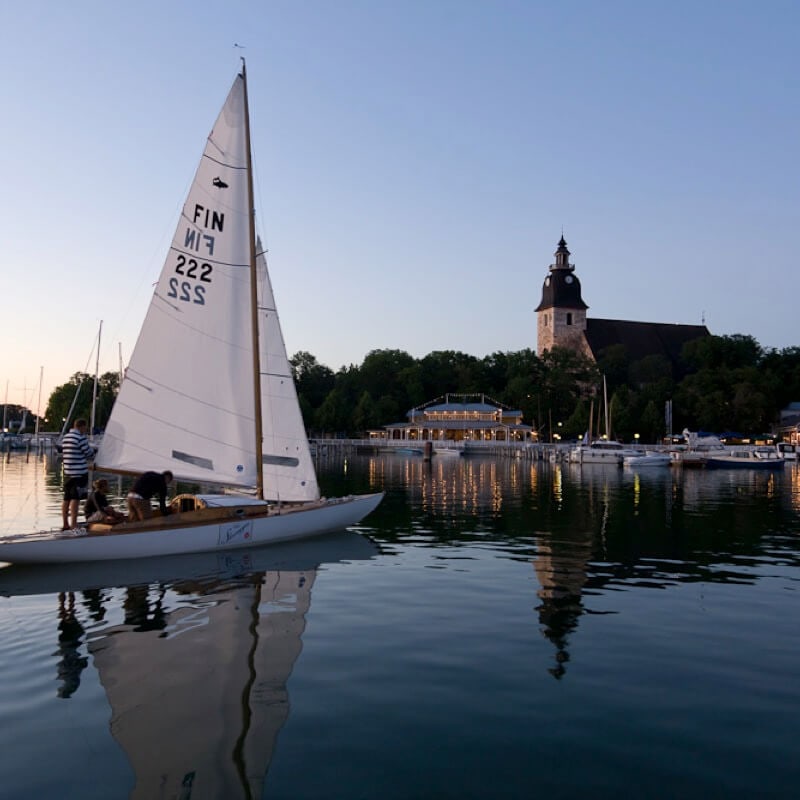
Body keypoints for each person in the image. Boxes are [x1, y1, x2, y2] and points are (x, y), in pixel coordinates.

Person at [60, 418, 95, 530]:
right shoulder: (80, 438)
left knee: (67, 498)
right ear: (81, 426)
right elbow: (88, 453)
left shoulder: (66, 437)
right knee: (76, 498)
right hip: (79, 473)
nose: (86, 430)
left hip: (68, 473)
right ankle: (74, 524)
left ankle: (65, 524)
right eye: (85, 427)